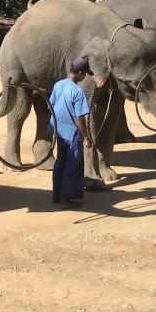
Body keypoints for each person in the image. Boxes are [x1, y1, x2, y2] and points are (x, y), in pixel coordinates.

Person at [48, 57, 93, 209]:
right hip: (73, 133)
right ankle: (65, 200)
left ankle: (56, 195)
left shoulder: (58, 84)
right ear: (79, 73)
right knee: (72, 165)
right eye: (85, 73)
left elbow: (50, 106)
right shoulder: (78, 91)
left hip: (58, 130)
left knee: (60, 161)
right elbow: (79, 117)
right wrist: (86, 137)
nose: (85, 76)